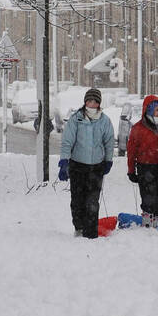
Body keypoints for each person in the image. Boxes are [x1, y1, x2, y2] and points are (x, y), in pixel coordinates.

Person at [58, 88, 115, 238]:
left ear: (99, 103)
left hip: (96, 167)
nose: (92, 104)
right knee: (77, 200)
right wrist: (64, 161)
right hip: (77, 166)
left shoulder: (105, 121)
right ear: (85, 102)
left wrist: (108, 160)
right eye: (89, 101)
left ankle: (90, 233)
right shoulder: (76, 119)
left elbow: (109, 142)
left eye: (95, 101)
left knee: (92, 201)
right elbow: (67, 141)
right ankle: (79, 227)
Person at [126, 95, 158, 228]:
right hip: (145, 167)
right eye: (157, 110)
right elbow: (131, 151)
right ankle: (147, 225)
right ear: (148, 111)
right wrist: (131, 170)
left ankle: (154, 224)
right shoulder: (138, 128)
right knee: (148, 198)